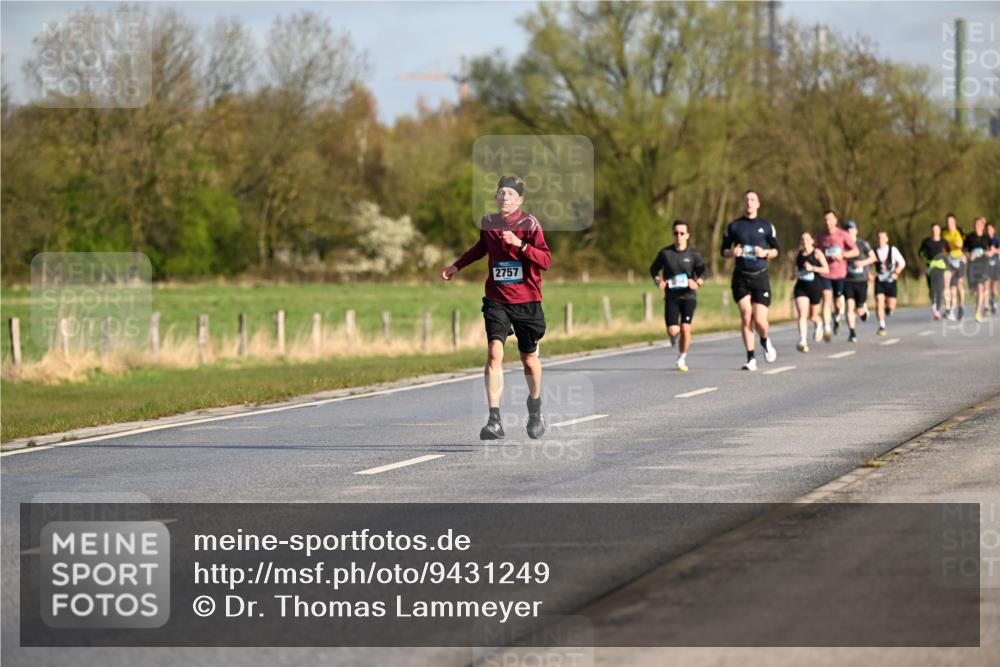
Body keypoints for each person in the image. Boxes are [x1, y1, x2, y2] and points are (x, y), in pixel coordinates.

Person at [441, 176, 551, 440]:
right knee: (493, 354)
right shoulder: (488, 223)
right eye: (501, 193)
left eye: (511, 194)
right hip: (497, 298)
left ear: (520, 200)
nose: (505, 198)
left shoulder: (529, 224)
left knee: (529, 360)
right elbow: (481, 248)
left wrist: (520, 244)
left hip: (527, 300)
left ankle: (535, 409)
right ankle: (494, 420)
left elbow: (545, 260)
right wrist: (457, 265)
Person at [720, 190, 780, 371]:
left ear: (758, 203)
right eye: (746, 199)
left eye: (753, 199)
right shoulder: (734, 226)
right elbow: (723, 251)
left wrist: (765, 253)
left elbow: (777, 250)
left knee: (760, 321)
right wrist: (732, 253)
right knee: (746, 315)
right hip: (741, 277)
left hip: (760, 277)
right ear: (743, 203)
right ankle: (751, 357)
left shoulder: (766, 226)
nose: (749, 203)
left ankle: (764, 340)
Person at [649, 220, 707, 372]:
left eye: (682, 233)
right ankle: (676, 336)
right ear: (673, 235)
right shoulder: (665, 253)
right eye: (676, 233)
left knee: (685, 328)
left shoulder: (694, 254)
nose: (679, 236)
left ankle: (682, 357)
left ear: (687, 235)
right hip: (672, 296)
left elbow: (703, 271)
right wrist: (658, 281)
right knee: (673, 331)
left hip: (688, 296)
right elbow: (654, 269)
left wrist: (697, 283)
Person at [815, 211, 859, 341]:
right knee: (826, 298)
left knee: (838, 303)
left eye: (830, 219)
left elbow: (855, 251)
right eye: (825, 220)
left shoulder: (843, 235)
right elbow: (817, 250)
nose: (827, 222)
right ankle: (827, 328)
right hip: (825, 273)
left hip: (840, 273)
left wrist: (843, 255)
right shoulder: (821, 236)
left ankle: (837, 317)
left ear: (835, 220)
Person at [793, 232, 830, 352]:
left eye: (807, 239)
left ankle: (819, 325)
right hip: (801, 287)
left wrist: (813, 268)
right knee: (802, 315)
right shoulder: (798, 254)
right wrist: (794, 275)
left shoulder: (817, 253)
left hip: (815, 287)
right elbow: (794, 271)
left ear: (812, 241)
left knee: (813, 316)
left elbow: (826, 269)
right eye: (802, 239)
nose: (805, 241)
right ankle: (802, 340)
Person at [843, 221, 876, 343]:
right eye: (847, 229)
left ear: (856, 230)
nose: (849, 231)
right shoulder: (843, 245)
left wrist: (862, 263)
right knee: (849, 306)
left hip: (861, 280)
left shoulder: (862, 244)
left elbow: (873, 258)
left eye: (851, 229)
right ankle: (852, 333)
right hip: (847, 279)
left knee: (859, 309)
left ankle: (862, 311)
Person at [873, 230, 906, 336]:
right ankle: (882, 326)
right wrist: (870, 274)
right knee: (879, 301)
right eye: (879, 238)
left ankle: (889, 309)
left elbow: (902, 262)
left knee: (891, 306)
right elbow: (868, 263)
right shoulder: (874, 251)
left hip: (891, 281)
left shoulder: (892, 250)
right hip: (879, 280)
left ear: (887, 239)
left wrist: (896, 272)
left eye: (883, 238)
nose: (880, 240)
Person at [963, 216, 992, 323]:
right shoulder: (969, 237)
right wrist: (969, 255)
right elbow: (964, 252)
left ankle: (977, 312)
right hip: (972, 267)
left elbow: (992, 251)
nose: (977, 226)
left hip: (983, 265)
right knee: (974, 291)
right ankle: (982, 304)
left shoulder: (986, 238)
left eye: (979, 224)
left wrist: (985, 253)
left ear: (983, 226)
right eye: (975, 224)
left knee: (980, 287)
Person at [918, 224, 950, 320]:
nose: (935, 232)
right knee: (932, 288)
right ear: (931, 231)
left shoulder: (944, 242)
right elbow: (920, 253)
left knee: (939, 288)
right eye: (933, 230)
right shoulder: (926, 242)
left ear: (939, 231)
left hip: (940, 266)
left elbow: (948, 253)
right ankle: (934, 306)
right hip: (930, 266)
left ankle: (937, 310)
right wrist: (923, 253)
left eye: (936, 230)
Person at [941, 213, 965, 320]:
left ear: (954, 222)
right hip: (948, 261)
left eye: (951, 221)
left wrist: (955, 242)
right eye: (947, 222)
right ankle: (949, 309)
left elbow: (961, 245)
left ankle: (961, 306)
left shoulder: (959, 232)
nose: (949, 223)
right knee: (948, 286)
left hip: (959, 261)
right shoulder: (944, 233)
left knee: (958, 286)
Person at [988, 222, 999, 315]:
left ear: (993, 230)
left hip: (995, 264)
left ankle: (993, 300)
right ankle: (986, 304)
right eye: (987, 229)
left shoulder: (996, 239)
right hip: (985, 265)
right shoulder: (984, 239)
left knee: (993, 285)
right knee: (986, 284)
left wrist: (994, 250)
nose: (989, 231)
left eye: (990, 229)